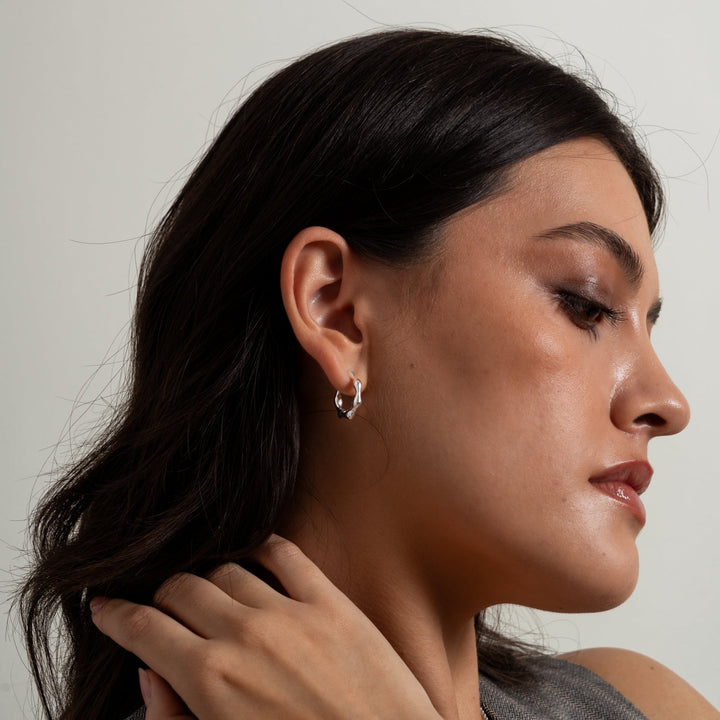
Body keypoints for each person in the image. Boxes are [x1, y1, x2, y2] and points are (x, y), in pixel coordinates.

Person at [18, 28, 719, 720]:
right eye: (586, 303)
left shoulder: (643, 705)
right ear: (337, 311)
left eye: (648, 324)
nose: (668, 402)